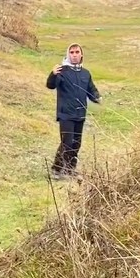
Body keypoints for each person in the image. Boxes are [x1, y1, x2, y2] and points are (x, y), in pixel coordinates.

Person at [46, 43, 101, 181]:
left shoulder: (85, 73)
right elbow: (50, 85)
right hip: (66, 113)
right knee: (67, 142)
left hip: (80, 113)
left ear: (81, 54)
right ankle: (56, 170)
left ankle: (70, 169)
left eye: (77, 52)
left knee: (76, 143)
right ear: (68, 54)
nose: (75, 55)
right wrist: (52, 74)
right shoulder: (61, 70)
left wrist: (97, 98)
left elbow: (91, 89)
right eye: (72, 52)